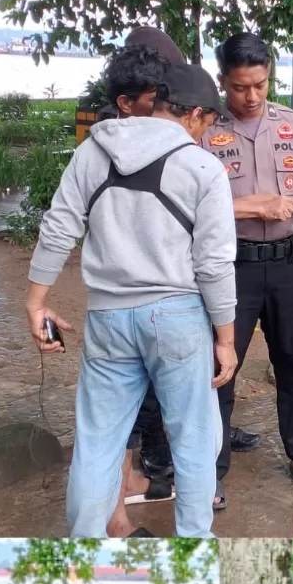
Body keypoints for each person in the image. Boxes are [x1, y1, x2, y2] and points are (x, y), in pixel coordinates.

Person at [28, 58, 238, 539]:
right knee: (193, 442)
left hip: (107, 317)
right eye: (208, 122)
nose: (206, 134)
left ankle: (85, 545)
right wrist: (224, 338)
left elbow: (59, 227)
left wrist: (36, 300)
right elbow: (213, 265)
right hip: (178, 317)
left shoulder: (91, 152)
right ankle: (194, 546)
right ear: (194, 114)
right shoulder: (203, 168)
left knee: (98, 444)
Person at [201, 32, 293, 509]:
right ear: (223, 82)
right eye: (241, 87)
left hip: (288, 266)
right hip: (229, 268)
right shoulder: (202, 132)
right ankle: (210, 469)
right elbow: (193, 204)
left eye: (260, 84)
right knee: (219, 369)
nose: (252, 96)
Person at [78, 30, 183, 529]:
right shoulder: (113, 140)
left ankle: (126, 493)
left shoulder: (112, 137)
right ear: (128, 100)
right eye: (158, 96)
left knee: (119, 414)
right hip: (138, 303)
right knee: (111, 421)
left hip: (117, 304)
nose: (167, 103)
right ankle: (115, 517)